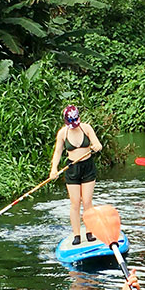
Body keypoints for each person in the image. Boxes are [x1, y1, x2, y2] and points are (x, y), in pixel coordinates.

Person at [49, 105, 104, 246]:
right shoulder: (63, 133)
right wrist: (54, 169)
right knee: (75, 203)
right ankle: (77, 235)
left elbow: (97, 144)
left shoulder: (86, 128)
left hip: (88, 168)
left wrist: (97, 147)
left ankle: (89, 231)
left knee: (87, 201)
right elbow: (57, 152)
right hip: (72, 169)